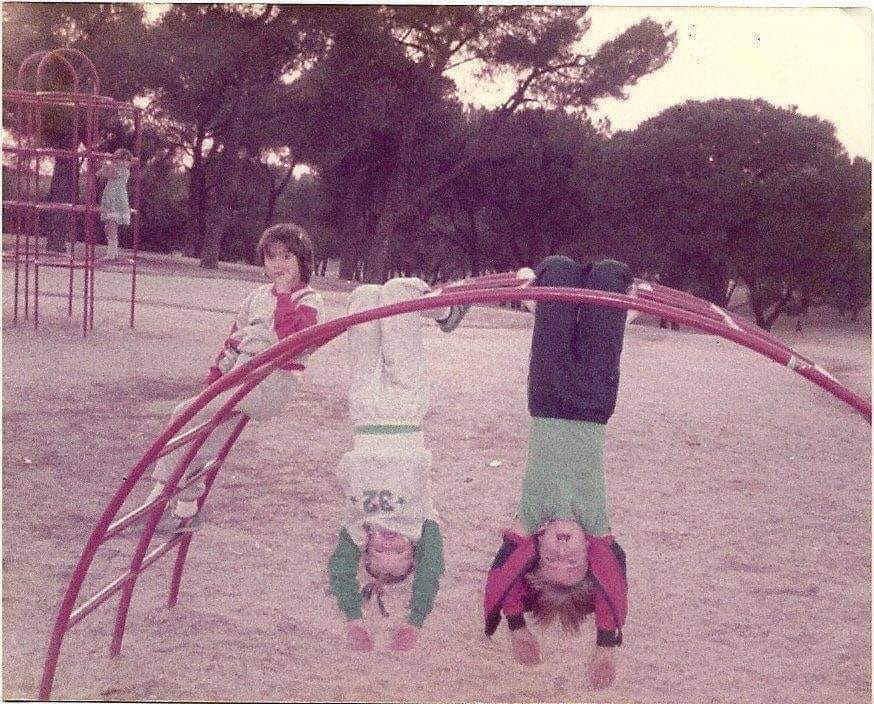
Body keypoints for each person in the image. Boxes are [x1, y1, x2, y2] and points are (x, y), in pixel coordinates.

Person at [483, 255, 631, 690]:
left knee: (560, 270)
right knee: (607, 274)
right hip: (594, 403)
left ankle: (548, 283)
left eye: (551, 559)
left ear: (536, 548)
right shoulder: (596, 525)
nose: (562, 550)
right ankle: (620, 293)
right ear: (591, 554)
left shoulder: (531, 518)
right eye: (574, 560)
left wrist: (516, 627)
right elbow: (613, 585)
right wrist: (606, 645)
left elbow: (505, 580)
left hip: (546, 397)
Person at [144, 223, 324, 530]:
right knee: (206, 429)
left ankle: (158, 495)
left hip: (273, 381)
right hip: (242, 377)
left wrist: (283, 296)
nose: (277, 266)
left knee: (184, 414)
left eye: (286, 258)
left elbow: (289, 342)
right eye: (271, 258)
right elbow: (233, 340)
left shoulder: (308, 300)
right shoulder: (256, 297)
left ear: (301, 261)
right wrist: (214, 382)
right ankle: (187, 509)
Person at [328, 277, 469, 652]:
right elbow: (431, 573)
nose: (389, 545)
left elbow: (340, 571)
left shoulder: (358, 524)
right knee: (399, 293)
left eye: (380, 553)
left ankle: (384, 302)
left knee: (363, 298)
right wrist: (414, 621)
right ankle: (448, 313)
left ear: (366, 547)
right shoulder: (420, 520)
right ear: (414, 548)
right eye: (400, 553)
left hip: (364, 412)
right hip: (406, 409)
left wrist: (353, 619)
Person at [97, 148, 133, 262]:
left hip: (117, 199)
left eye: (122, 159)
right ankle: (113, 251)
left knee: (112, 225)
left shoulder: (124, 170)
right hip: (110, 197)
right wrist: (104, 163)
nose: (120, 162)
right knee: (108, 226)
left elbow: (112, 174)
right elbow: (101, 173)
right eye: (117, 159)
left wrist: (107, 162)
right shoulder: (115, 167)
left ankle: (111, 253)